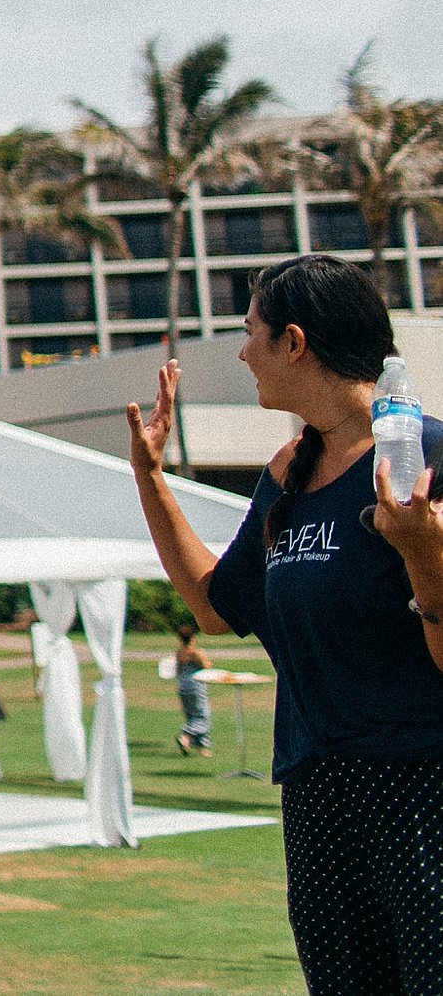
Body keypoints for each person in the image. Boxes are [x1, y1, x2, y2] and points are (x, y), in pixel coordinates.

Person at [128, 254, 443, 995]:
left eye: (251, 332)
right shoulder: (287, 472)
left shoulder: (425, 454)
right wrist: (150, 478)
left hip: (421, 788)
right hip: (318, 795)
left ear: (294, 341)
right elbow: (215, 604)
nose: (241, 352)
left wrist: (423, 550)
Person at [173, 621, 212, 757]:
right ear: (193, 638)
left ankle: (201, 747)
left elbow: (177, 671)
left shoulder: (179, 653)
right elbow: (207, 666)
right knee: (202, 716)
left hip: (183, 687)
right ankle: (186, 735)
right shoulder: (196, 653)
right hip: (196, 686)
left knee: (191, 715)